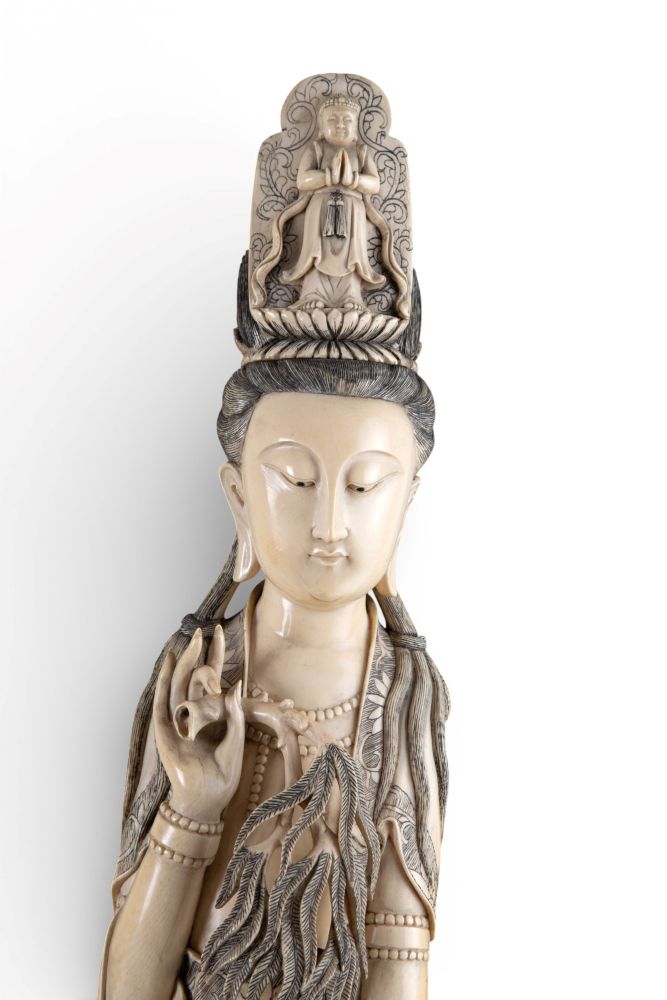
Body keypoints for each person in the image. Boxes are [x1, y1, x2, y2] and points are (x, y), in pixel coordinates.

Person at [251, 94, 409, 318]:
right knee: (317, 253)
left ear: (356, 125)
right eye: (333, 120)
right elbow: (303, 180)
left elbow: (374, 184)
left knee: (352, 255)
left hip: (353, 210)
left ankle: (352, 296)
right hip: (320, 207)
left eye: (347, 120)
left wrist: (354, 180)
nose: (340, 125)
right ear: (321, 125)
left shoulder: (361, 152)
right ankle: (312, 294)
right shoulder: (316, 149)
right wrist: (327, 176)